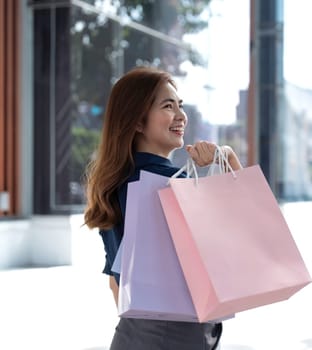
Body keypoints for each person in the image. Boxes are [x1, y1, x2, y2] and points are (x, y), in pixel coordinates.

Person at [83, 66, 242, 349]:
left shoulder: (113, 182)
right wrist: (227, 158)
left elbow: (116, 284)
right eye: (168, 106)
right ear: (137, 122)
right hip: (177, 337)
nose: (181, 115)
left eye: (180, 106)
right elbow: (242, 238)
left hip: (133, 335)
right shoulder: (172, 185)